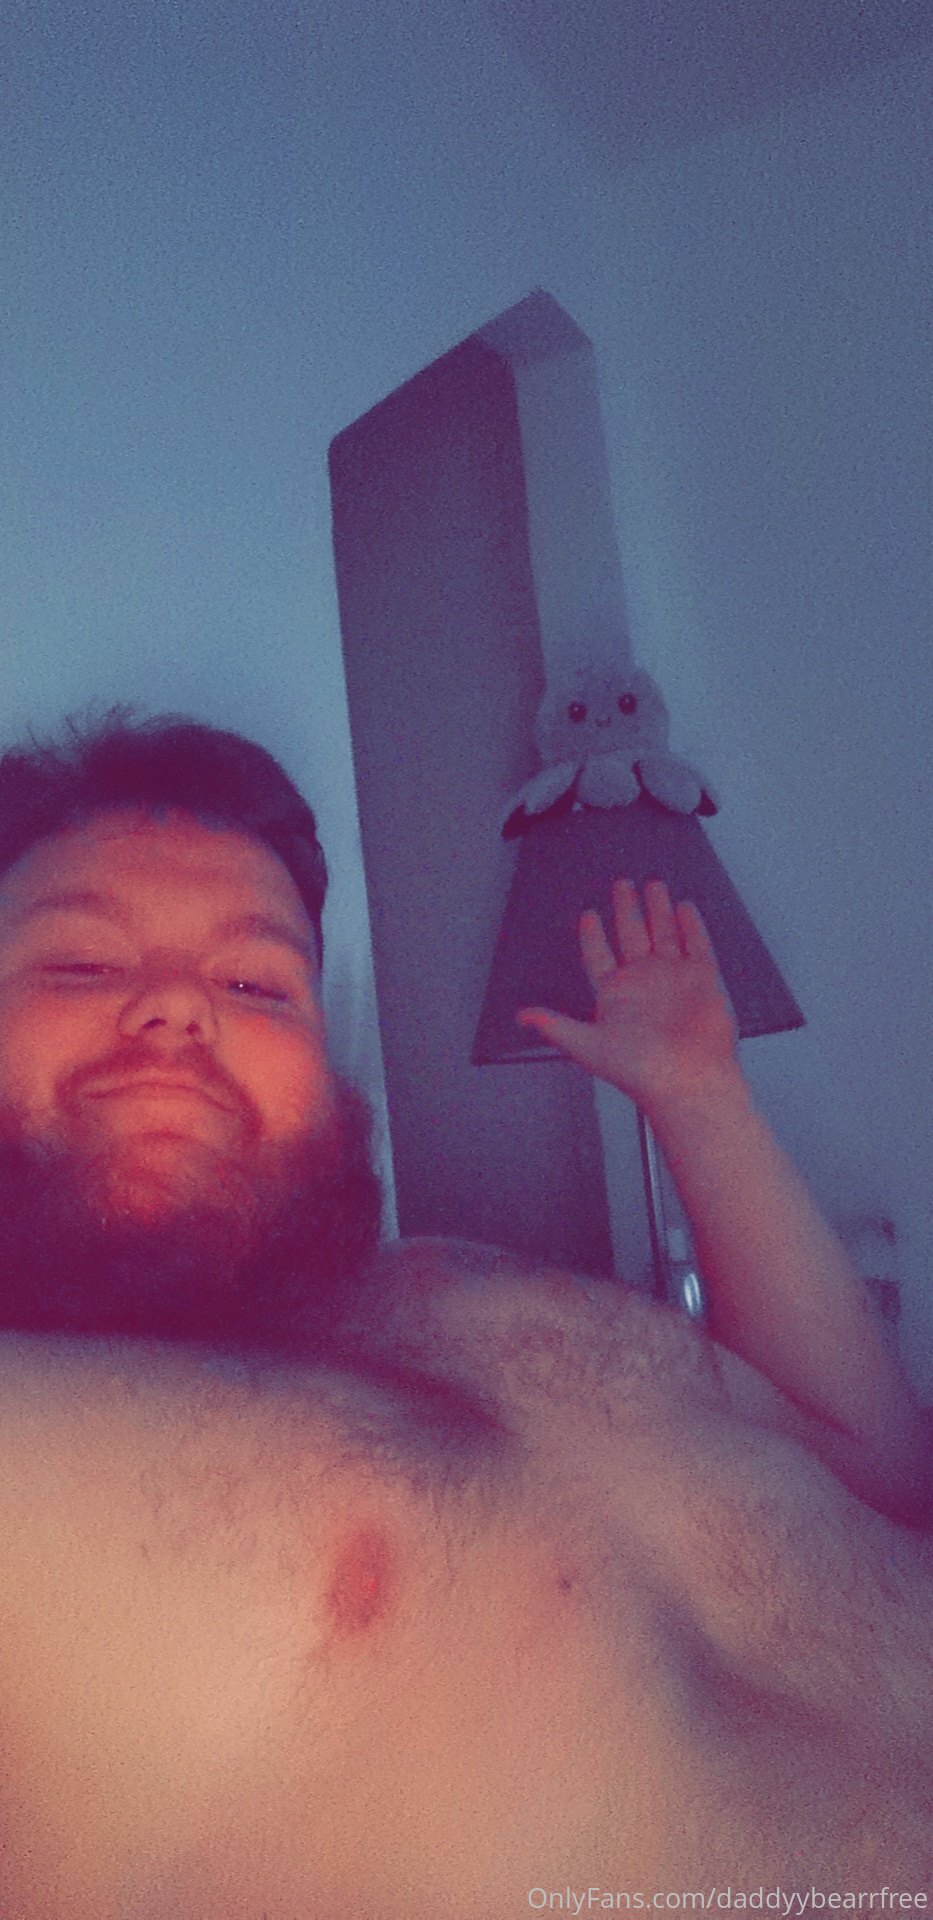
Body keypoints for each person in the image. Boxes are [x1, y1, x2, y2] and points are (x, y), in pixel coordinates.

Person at [0, 703, 928, 1919]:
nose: (182, 1007)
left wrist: (700, 1094)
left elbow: (876, 1463)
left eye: (256, 982)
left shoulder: (452, 1282)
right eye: (80, 962)